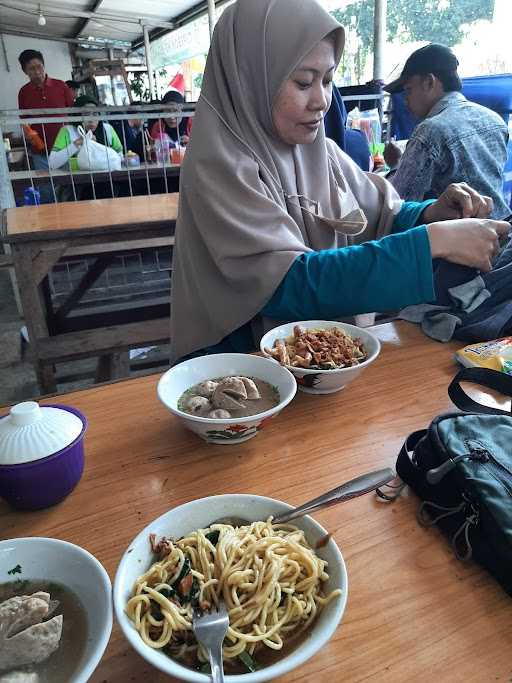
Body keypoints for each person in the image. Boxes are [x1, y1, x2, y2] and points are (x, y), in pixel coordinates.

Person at [169, 0, 509, 364]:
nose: (321, 100)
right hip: (240, 371)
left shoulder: (318, 150)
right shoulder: (219, 163)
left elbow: (378, 214)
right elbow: (285, 285)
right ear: (250, 78)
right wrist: (431, 244)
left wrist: (430, 215)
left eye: (328, 80)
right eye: (303, 82)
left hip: (317, 359)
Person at [384, 44, 509, 219]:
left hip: (464, 238)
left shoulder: (430, 131)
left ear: (429, 82)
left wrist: (396, 164)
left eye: (408, 90)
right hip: (502, 230)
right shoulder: (494, 119)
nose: (405, 100)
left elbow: (396, 205)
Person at [49, 95, 123, 199]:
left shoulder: (107, 130)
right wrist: (77, 144)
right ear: (77, 115)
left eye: (95, 114)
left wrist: (98, 149)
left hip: (107, 182)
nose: (91, 119)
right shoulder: (67, 131)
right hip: (76, 186)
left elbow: (120, 156)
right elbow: (53, 163)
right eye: (86, 114)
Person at [18, 50, 74, 168]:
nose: (37, 72)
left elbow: (73, 113)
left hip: (66, 148)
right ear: (25, 71)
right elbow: (23, 121)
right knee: (46, 185)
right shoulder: (24, 92)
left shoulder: (61, 86)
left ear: (44, 65)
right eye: (31, 69)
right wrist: (29, 136)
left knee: (71, 183)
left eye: (39, 66)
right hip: (40, 152)